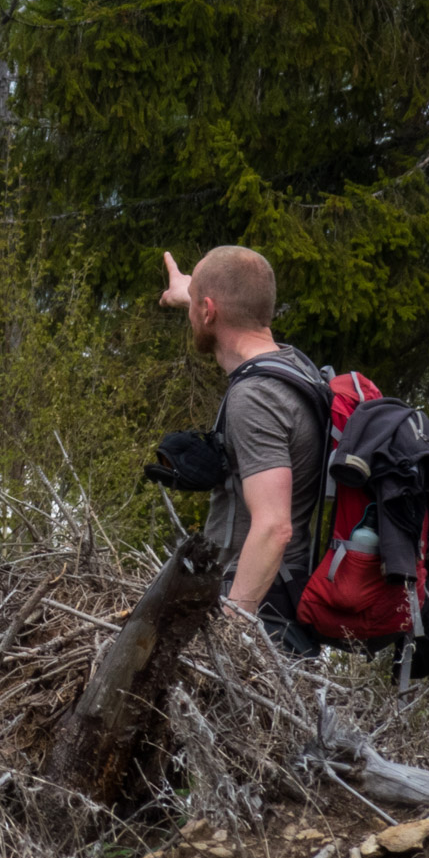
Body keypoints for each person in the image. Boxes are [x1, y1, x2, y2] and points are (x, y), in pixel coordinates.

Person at [161, 245, 325, 645]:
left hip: (262, 616)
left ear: (208, 311)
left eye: (195, 306)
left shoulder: (255, 398)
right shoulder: (295, 366)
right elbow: (239, 293)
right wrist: (192, 292)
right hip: (285, 598)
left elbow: (273, 526)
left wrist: (233, 633)